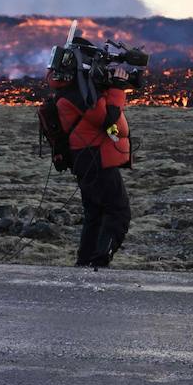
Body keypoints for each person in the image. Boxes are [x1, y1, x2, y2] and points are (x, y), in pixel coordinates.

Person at [49, 38, 133, 268]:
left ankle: (85, 262)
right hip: (96, 158)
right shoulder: (79, 92)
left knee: (95, 213)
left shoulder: (75, 88)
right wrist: (116, 88)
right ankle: (99, 261)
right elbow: (106, 119)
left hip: (87, 158)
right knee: (118, 212)